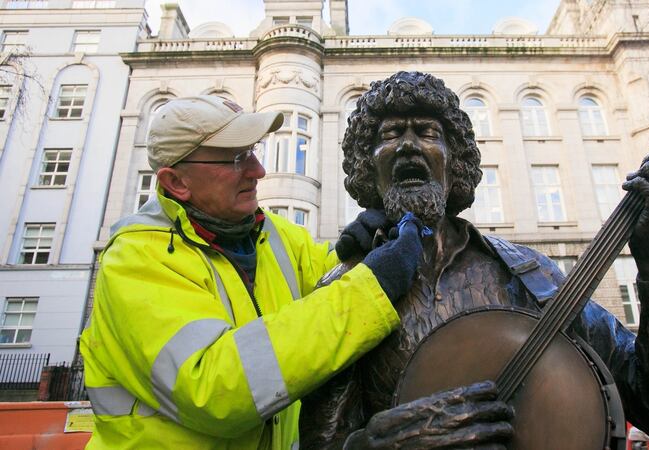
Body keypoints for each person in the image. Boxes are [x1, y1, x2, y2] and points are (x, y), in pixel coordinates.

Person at [299, 71, 649, 449]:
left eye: (427, 132)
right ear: (366, 165)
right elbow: (318, 440)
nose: (409, 146)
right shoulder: (342, 291)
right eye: (390, 134)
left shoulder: (529, 274)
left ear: (455, 160)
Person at [79, 95, 430, 449]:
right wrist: (373, 287)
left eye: (252, 150)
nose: (258, 170)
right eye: (236, 158)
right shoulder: (136, 262)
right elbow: (217, 387)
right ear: (177, 183)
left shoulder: (271, 233)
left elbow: (327, 282)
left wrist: (354, 254)